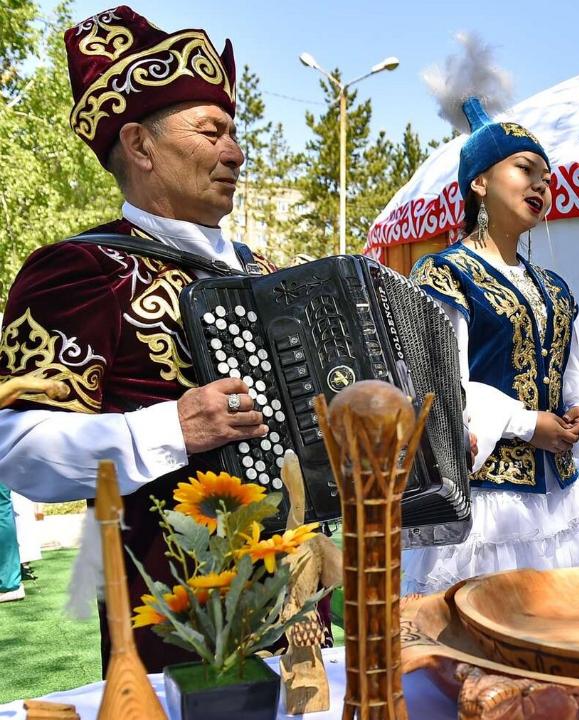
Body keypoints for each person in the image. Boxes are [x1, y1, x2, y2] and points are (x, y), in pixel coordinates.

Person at [0, 5, 289, 671]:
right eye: (212, 132)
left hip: (294, 590)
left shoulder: (268, 274)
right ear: (139, 145)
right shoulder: (82, 269)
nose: (236, 152)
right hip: (171, 612)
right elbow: (14, 445)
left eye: (233, 133)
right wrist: (167, 430)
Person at [403, 96, 579, 594]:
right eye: (525, 169)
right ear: (479, 182)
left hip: (555, 500)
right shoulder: (444, 275)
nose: (541, 185)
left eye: (547, 177)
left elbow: (571, 372)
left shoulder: (554, 288)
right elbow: (437, 387)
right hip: (486, 502)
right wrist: (525, 423)